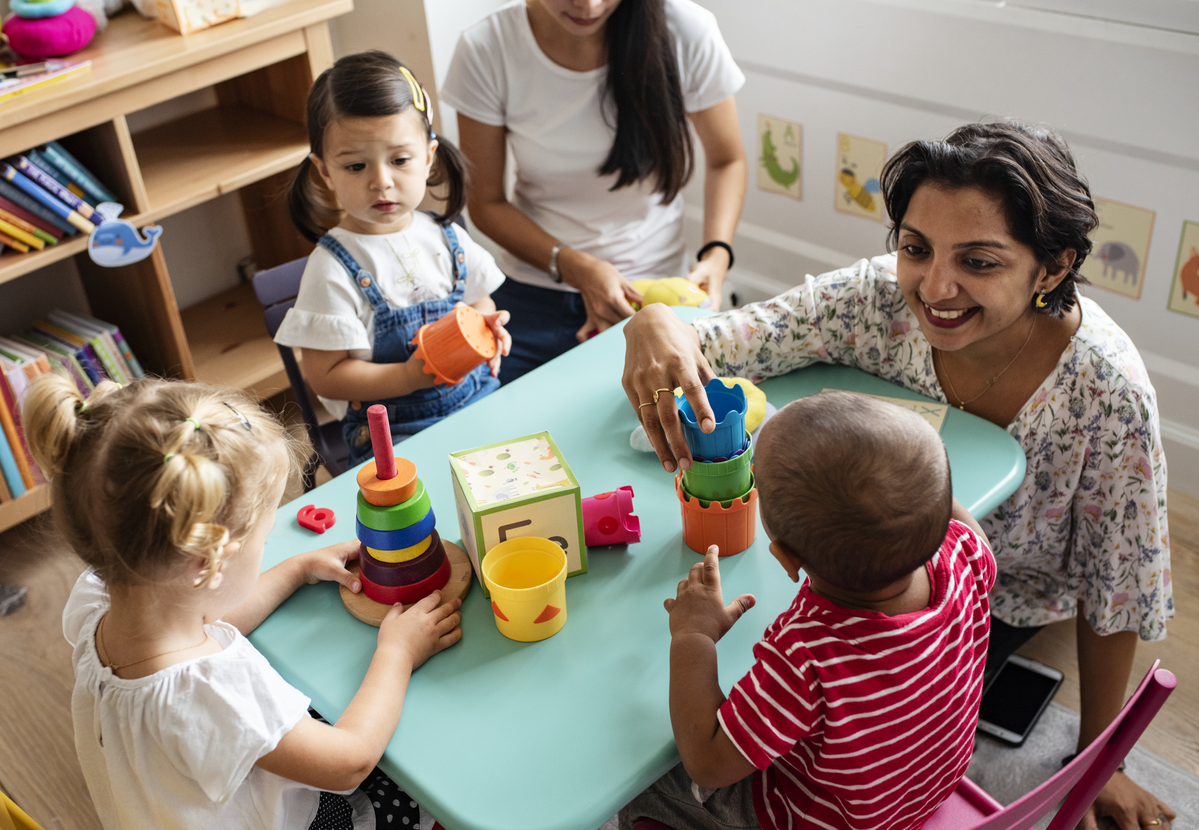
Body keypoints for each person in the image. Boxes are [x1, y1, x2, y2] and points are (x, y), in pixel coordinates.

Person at [621, 122, 1175, 830]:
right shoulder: (873, 302)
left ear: (1053, 268)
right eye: (915, 249)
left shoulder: (1108, 390)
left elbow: (1117, 589)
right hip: (920, 581)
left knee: (679, 725)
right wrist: (656, 322)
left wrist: (1106, 758)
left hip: (1000, 600)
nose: (935, 287)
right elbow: (726, 339)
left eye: (979, 261)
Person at [24, 374, 463, 830]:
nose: (268, 546)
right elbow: (348, 761)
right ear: (209, 564)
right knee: (418, 797)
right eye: (265, 538)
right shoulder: (211, 692)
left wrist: (295, 569)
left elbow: (204, 616)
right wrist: (397, 653)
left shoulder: (100, 599)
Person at [620, 391, 997, 830]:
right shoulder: (964, 553)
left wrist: (694, 637)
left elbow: (707, 761)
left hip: (824, 820)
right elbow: (956, 520)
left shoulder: (806, 656)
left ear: (785, 558)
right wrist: (911, 476)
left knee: (648, 781)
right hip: (914, 796)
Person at [440, 0, 748, 382]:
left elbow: (727, 160)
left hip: (652, 294)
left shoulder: (687, 30)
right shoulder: (487, 47)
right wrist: (578, 268)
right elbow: (485, 202)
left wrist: (717, 255)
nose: (588, 5)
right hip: (535, 290)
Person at [278, 51, 512, 467]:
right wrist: (407, 376)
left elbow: (479, 301)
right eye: (355, 165)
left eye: (400, 160)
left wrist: (486, 329)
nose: (381, 182)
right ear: (324, 172)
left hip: (479, 401)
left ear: (428, 156)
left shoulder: (446, 236)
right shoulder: (332, 268)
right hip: (398, 436)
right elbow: (325, 376)